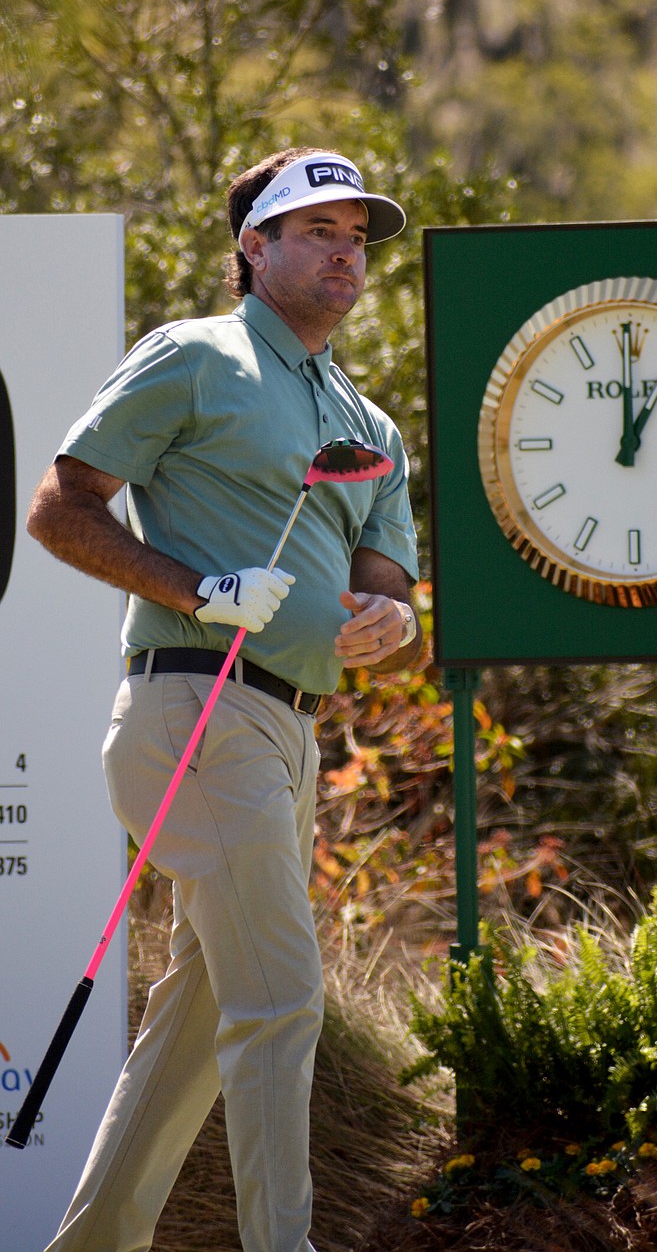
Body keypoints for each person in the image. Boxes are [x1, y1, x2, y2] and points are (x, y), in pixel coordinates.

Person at [26, 146, 422, 1252]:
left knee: (200, 1024)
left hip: (287, 730)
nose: (344, 253)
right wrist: (200, 591)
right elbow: (62, 508)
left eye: (356, 237)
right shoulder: (194, 358)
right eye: (317, 232)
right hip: (192, 708)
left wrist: (392, 622)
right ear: (254, 248)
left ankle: (91, 1244)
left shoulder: (368, 424)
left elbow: (386, 589)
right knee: (284, 1001)